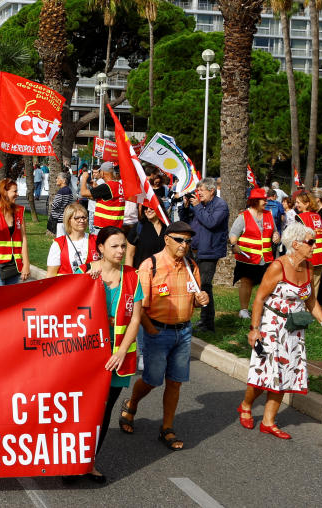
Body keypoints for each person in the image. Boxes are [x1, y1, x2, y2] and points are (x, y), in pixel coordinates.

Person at [237, 223, 322, 439]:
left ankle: (269, 421)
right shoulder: (278, 266)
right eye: (310, 242)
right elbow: (259, 298)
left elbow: (311, 301)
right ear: (295, 244)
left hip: (294, 329)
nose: (314, 246)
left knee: (285, 373)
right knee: (264, 375)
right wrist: (254, 329)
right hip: (271, 327)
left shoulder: (308, 266)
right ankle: (246, 405)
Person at [119, 221, 209, 452]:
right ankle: (132, 403)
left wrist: (201, 301)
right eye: (180, 240)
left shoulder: (191, 266)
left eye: (188, 241)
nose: (185, 245)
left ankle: (166, 427)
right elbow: (140, 308)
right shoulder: (151, 266)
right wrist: (151, 330)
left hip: (184, 331)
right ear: (167, 239)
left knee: (175, 382)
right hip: (158, 331)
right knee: (152, 379)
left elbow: (195, 298)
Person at [84, 226, 144, 483]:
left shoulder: (132, 276)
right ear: (100, 249)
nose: (121, 251)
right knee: (84, 409)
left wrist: (120, 352)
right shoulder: (86, 275)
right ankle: (70, 461)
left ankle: (89, 463)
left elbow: (136, 319)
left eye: (123, 246)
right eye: (114, 246)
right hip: (87, 358)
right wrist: (86, 280)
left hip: (118, 361)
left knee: (104, 411)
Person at [181, 177, 229, 332]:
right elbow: (186, 223)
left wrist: (197, 208)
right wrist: (186, 208)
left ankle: (208, 324)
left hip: (210, 251)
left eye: (201, 190)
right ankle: (201, 320)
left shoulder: (220, 205)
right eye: (198, 190)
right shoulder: (199, 205)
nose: (198, 193)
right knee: (195, 285)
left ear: (212, 190)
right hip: (194, 250)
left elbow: (211, 222)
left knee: (205, 286)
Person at [229, 187, 278, 320]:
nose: (266, 202)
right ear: (255, 201)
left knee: (267, 284)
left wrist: (276, 235)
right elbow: (233, 234)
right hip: (247, 258)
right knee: (246, 282)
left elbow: (275, 231)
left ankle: (265, 308)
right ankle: (244, 310)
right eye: (263, 199)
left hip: (266, 258)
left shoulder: (269, 215)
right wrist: (234, 244)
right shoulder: (243, 216)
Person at [0, 178, 31, 285]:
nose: (17, 194)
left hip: (14, 265)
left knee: (10, 300)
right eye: (14, 191)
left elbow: (23, 239)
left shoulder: (19, 211)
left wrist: (26, 264)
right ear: (4, 192)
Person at [46, 203, 99, 277]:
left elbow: (107, 265)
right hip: (67, 287)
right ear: (68, 220)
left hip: (90, 287)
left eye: (84, 217)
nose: (82, 220)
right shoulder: (58, 244)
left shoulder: (96, 240)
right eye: (77, 218)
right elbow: (50, 275)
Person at [80, 161, 126, 230]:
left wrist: (84, 178)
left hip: (104, 226)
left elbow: (83, 193)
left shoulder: (106, 187)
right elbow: (107, 198)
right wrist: (96, 188)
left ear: (103, 172)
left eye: (100, 171)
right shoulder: (118, 185)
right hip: (115, 225)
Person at [126, 205, 167, 269]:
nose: (148, 210)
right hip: (142, 273)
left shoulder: (168, 227)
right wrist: (129, 276)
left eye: (151, 207)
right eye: (145, 208)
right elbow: (129, 254)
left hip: (164, 274)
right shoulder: (138, 227)